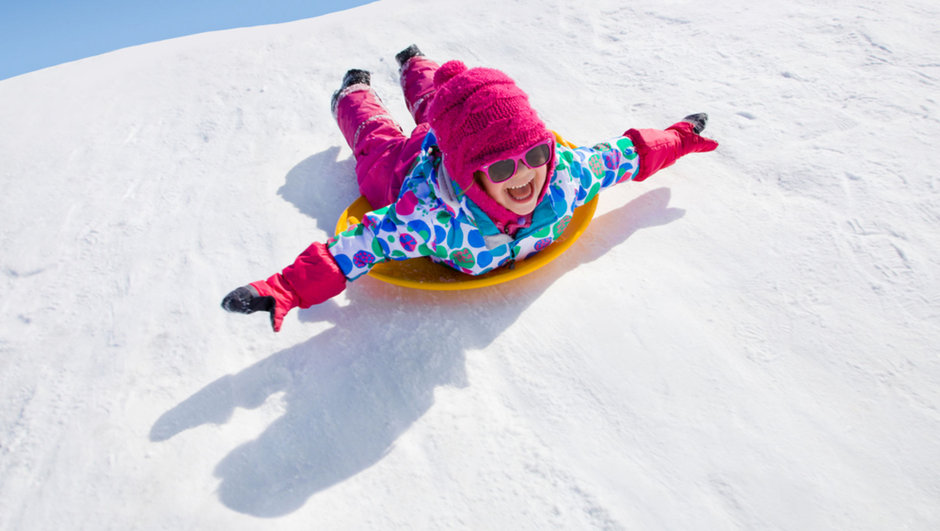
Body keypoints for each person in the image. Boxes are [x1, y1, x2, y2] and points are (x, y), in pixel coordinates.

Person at [222, 45, 719, 332]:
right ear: (470, 175)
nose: (526, 176)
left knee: (442, 101)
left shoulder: (564, 174)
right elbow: (358, 245)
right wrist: (286, 286)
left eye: (536, 155)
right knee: (378, 143)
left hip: (455, 142)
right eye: (502, 170)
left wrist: (680, 136)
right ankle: (353, 93)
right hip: (405, 169)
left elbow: (625, 155)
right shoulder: (431, 218)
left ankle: (415, 63)